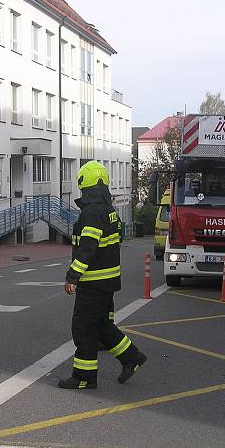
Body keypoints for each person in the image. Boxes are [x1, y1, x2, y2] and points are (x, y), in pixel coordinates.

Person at [59, 160, 147, 390]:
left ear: (84, 185)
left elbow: (88, 247)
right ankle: (131, 357)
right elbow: (114, 243)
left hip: (93, 283)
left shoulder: (91, 213)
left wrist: (72, 276)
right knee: (101, 327)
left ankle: (84, 377)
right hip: (108, 282)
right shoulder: (109, 211)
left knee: (84, 328)